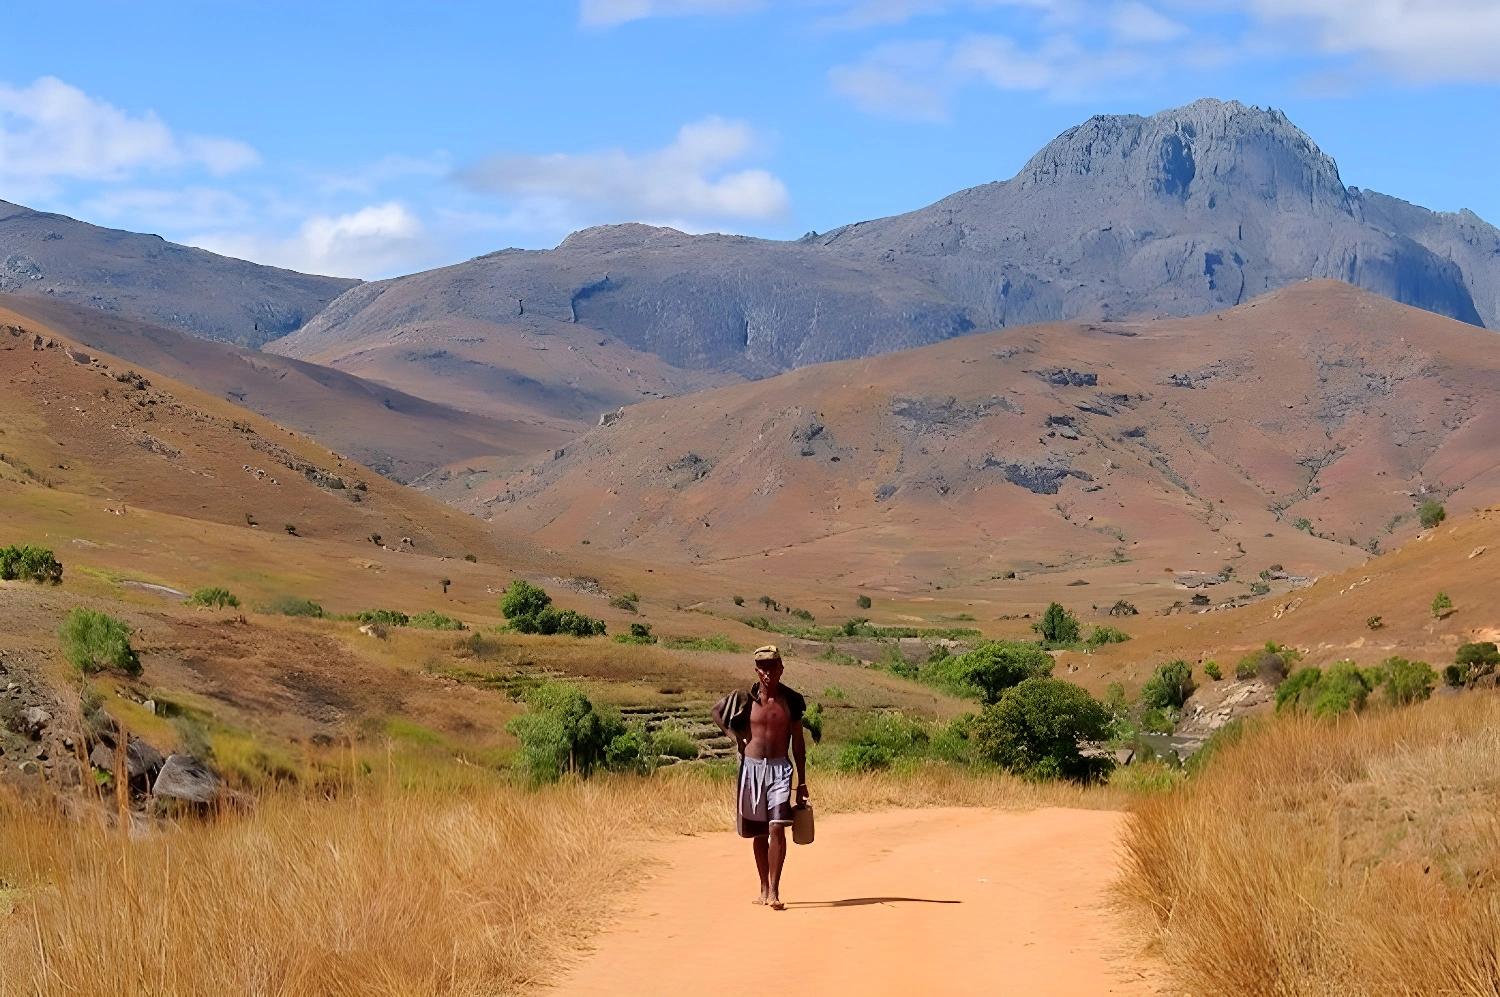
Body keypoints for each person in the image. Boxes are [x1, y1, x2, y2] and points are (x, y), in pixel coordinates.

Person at [711, 644, 808, 911]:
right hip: (751, 769)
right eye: (763, 668)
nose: (768, 674)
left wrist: (802, 782)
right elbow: (716, 713)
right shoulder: (744, 698)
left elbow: (798, 745)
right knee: (759, 832)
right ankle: (763, 887)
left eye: (772, 667)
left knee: (777, 826)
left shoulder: (791, 701)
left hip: (780, 770)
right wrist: (735, 738)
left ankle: (775, 890)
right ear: (756, 671)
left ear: (781, 669)